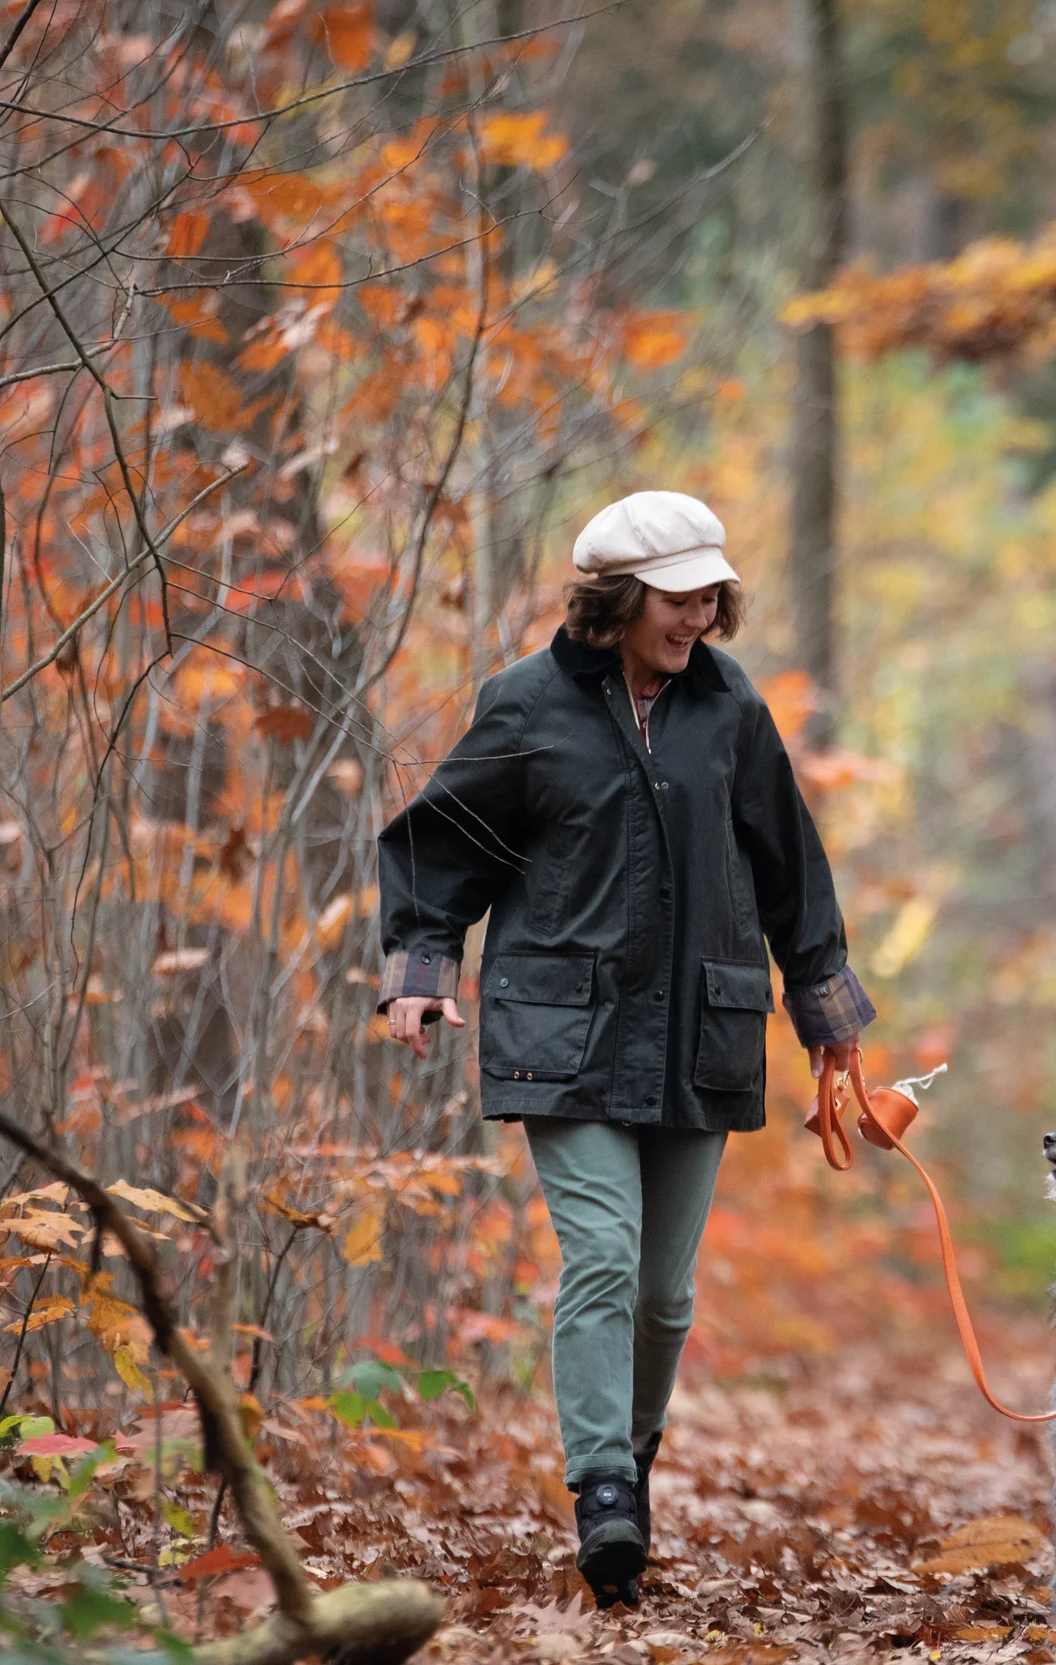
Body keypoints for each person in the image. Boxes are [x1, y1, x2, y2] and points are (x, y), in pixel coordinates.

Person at [373, 491, 871, 1608]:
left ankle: (627, 1469)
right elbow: (439, 848)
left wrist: (825, 1009)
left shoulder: (728, 708)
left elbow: (787, 859)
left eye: (708, 595)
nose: (696, 615)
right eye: (676, 596)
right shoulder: (524, 708)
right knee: (600, 1254)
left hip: (700, 1029)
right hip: (564, 1029)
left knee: (665, 1294)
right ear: (618, 599)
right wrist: (419, 969)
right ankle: (602, 1487)